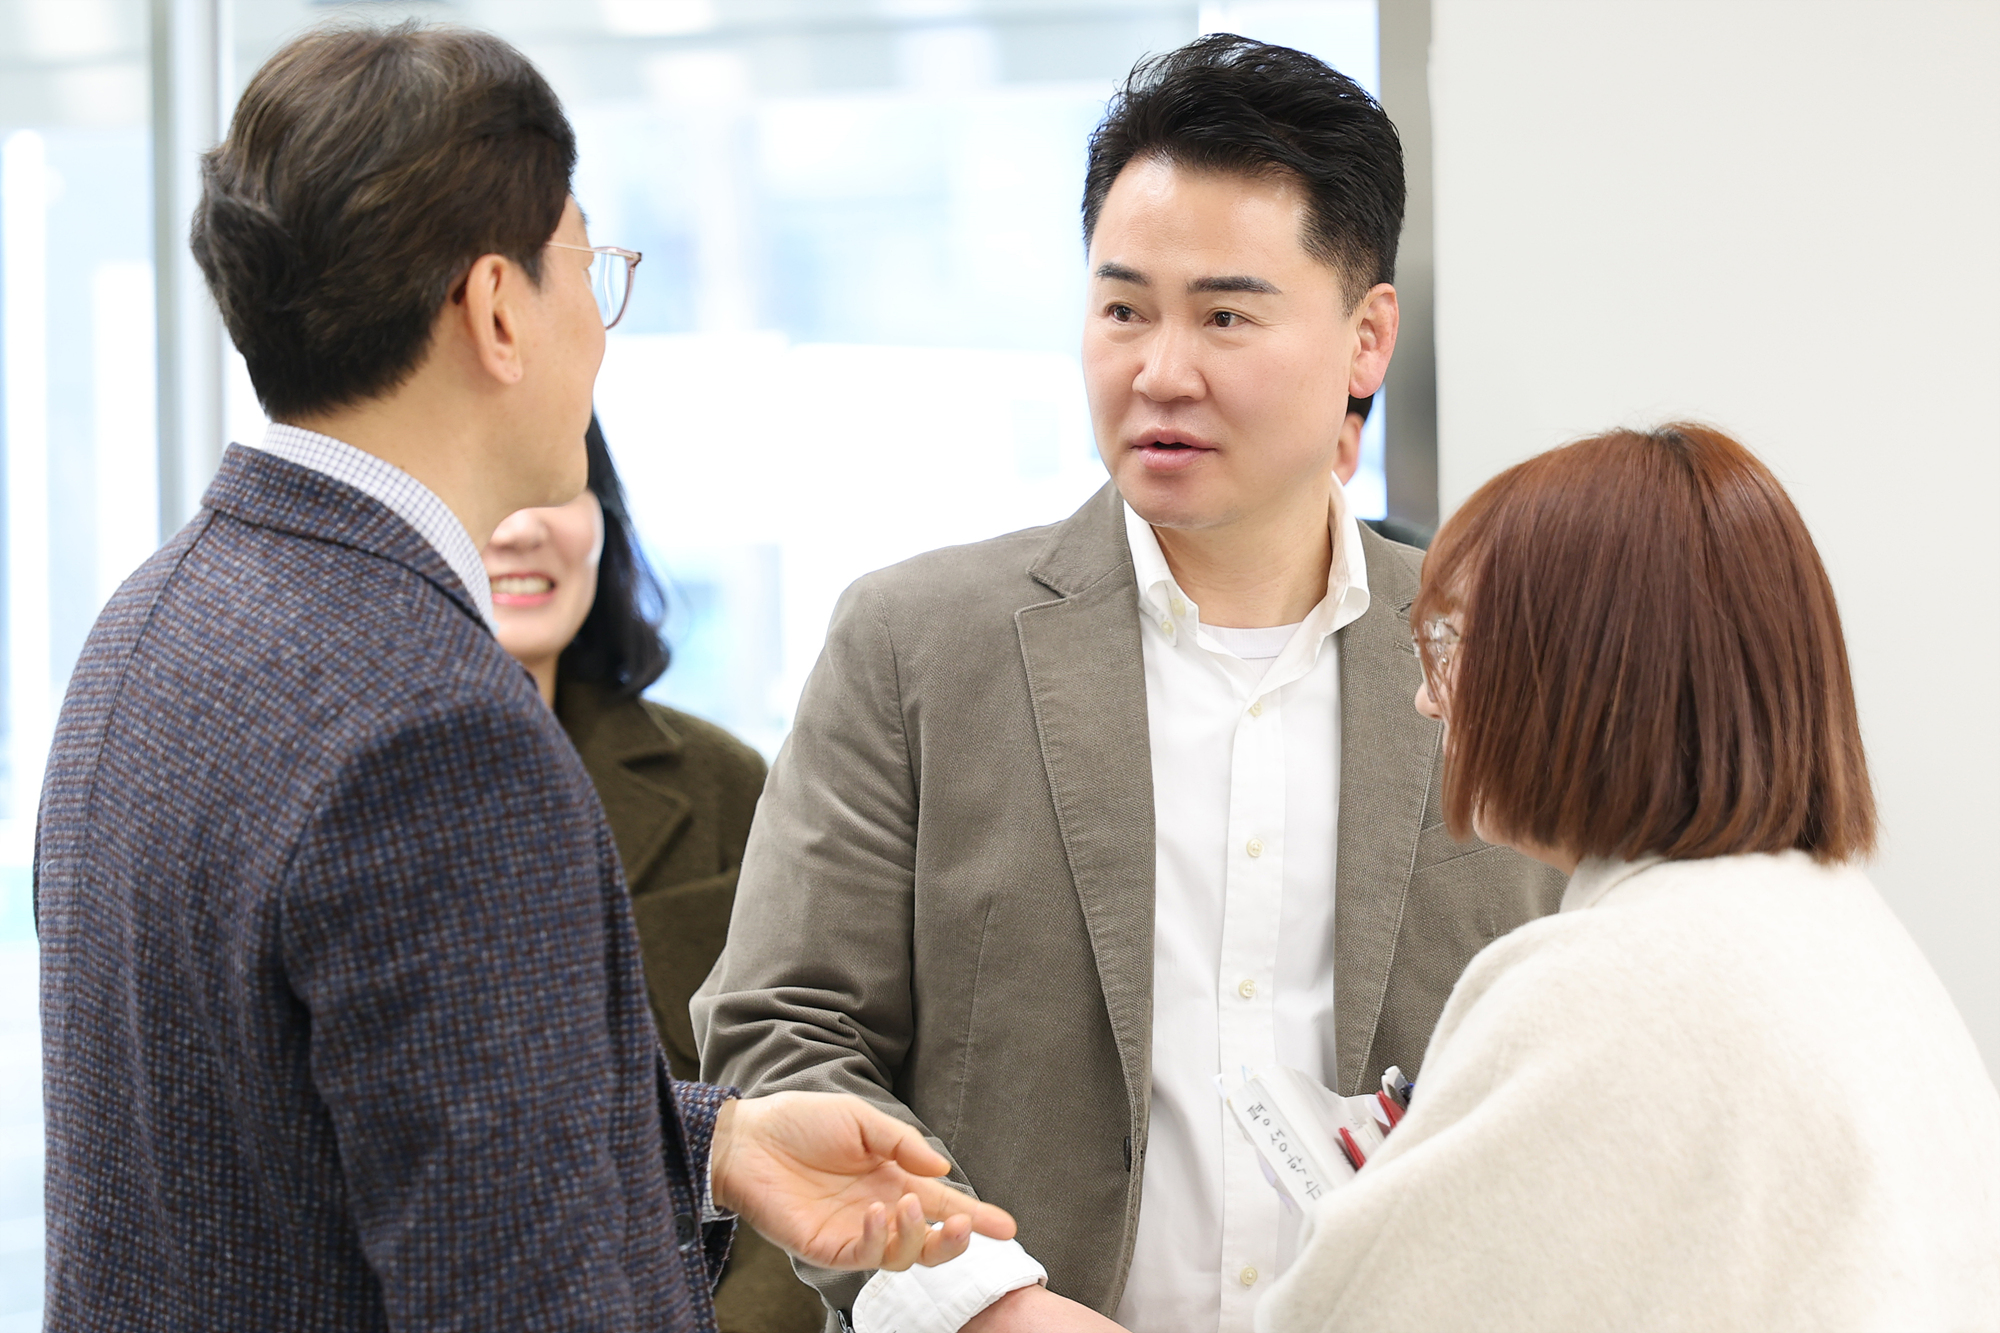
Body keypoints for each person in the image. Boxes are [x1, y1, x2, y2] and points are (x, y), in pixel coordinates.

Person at [36, 23, 1010, 1331]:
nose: (596, 332)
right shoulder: (439, 729)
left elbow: (298, 1127)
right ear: (498, 310)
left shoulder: (154, 619)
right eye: (585, 272)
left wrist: (711, 1142)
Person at [696, 35, 1565, 1333]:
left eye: (1224, 313)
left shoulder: (1503, 656)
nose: (1161, 369)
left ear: (1366, 339)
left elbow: (1602, 1044)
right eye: (1122, 308)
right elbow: (779, 1031)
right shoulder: (917, 645)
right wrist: (982, 1302)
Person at [1258, 424, 2000, 1330]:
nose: (1429, 693)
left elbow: (1344, 1316)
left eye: (1449, 640)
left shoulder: (1610, 980)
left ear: (1589, 668)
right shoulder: (1848, 932)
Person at [482, 414, 823, 1333]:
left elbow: (795, 1104)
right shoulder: (359, 792)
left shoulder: (722, 782)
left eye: (558, 491)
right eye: (488, 497)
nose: (523, 529)